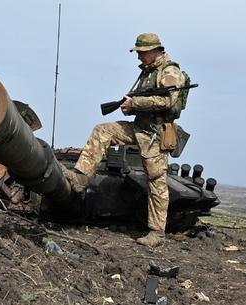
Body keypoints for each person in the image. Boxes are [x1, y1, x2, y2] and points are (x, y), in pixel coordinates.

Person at [64, 33, 187, 247]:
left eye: (141, 52)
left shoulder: (169, 71)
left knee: (156, 181)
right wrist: (129, 106)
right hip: (139, 128)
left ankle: (157, 233)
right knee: (103, 130)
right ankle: (80, 178)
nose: (139, 57)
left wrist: (135, 103)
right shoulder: (147, 72)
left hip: (155, 134)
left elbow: (168, 101)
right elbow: (144, 102)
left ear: (154, 50)